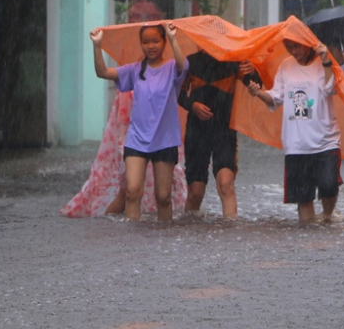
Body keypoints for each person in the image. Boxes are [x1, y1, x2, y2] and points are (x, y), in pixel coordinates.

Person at [90, 22, 187, 221]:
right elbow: (102, 73)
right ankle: (132, 241)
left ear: (163, 43)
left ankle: (164, 240)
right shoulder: (134, 70)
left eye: (155, 41)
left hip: (165, 139)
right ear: (141, 45)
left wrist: (173, 38)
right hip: (136, 139)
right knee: (132, 191)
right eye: (146, 42)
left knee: (163, 197)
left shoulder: (171, 68)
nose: (151, 46)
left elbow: (182, 65)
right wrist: (97, 45)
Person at [246, 39, 340, 224]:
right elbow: (275, 98)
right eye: (289, 48)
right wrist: (258, 93)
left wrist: (327, 60)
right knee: (303, 199)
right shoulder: (286, 66)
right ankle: (307, 243)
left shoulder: (323, 62)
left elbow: (331, 89)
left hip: (325, 140)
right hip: (296, 144)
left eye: (297, 46)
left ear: (307, 43)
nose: (294, 51)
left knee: (329, 186)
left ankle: (328, 219)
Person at [178, 50, 257, 218]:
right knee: (195, 192)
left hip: (224, 130)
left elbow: (255, 86)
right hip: (196, 132)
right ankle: (190, 237)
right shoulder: (190, 61)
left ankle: (230, 236)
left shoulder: (234, 61)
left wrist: (253, 71)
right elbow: (179, 94)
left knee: (226, 184)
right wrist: (193, 105)